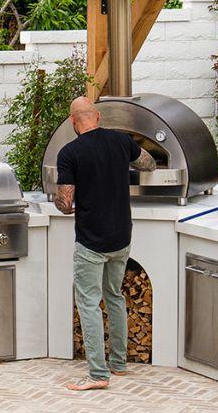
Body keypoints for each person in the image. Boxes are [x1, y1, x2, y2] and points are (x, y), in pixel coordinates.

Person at [54, 96, 156, 391]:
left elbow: (65, 202)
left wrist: (64, 201)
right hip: (122, 235)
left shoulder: (69, 153)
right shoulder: (120, 141)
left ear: (74, 122)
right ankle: (119, 365)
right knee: (115, 296)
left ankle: (98, 375)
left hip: (91, 240)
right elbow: (148, 165)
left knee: (88, 302)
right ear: (97, 116)